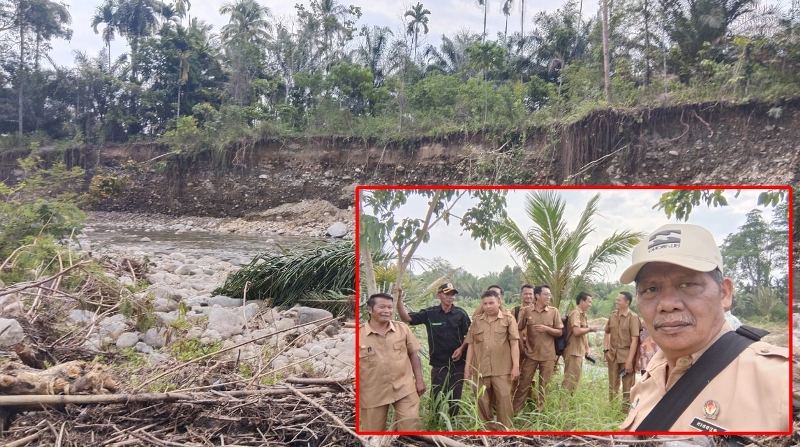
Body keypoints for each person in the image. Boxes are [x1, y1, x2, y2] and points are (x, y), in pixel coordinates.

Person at [618, 223, 789, 432]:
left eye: (688, 284)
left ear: (724, 293)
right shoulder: (651, 374)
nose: (667, 304)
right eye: (651, 289)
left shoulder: (781, 382)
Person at [396, 283, 470, 417]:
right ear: (439, 295)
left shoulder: (461, 314)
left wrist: (461, 348)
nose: (450, 297)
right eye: (447, 294)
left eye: (452, 294)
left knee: (455, 396)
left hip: (458, 362)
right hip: (438, 363)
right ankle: (435, 421)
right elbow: (406, 318)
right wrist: (399, 298)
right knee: (437, 395)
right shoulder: (430, 314)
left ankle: (453, 423)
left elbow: (470, 334)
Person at [359, 293, 425, 431]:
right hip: (372, 393)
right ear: (370, 309)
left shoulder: (402, 329)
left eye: (390, 307)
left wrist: (419, 380)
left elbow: (413, 355)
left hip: (404, 388)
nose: (387, 311)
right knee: (373, 433)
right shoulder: (359, 335)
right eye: (382, 307)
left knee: (411, 428)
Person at [464, 290, 520, 431]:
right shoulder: (477, 321)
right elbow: (471, 345)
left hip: (502, 368)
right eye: (485, 304)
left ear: (499, 302)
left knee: (504, 400)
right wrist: (467, 368)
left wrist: (516, 366)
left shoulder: (508, 319)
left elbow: (514, 344)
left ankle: (505, 429)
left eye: (491, 303)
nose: (488, 306)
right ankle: (487, 429)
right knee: (482, 401)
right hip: (480, 369)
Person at [512, 284, 563, 413]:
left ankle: (540, 413)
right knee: (523, 384)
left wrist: (547, 329)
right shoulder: (527, 311)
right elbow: (518, 328)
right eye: (545, 294)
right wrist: (521, 346)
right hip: (531, 354)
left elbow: (559, 332)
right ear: (537, 296)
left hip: (548, 355)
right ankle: (515, 412)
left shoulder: (554, 311)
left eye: (549, 294)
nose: (548, 297)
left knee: (544, 386)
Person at [603, 291, 640, 407]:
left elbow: (635, 340)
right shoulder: (612, 316)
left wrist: (630, 361)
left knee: (628, 388)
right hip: (612, 356)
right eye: (616, 300)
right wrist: (605, 350)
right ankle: (612, 410)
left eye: (619, 300)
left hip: (626, 358)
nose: (616, 302)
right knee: (612, 385)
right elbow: (606, 333)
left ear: (627, 302)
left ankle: (625, 414)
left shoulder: (633, 318)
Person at [561, 291, 598, 391]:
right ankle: (563, 405)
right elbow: (577, 331)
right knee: (569, 380)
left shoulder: (583, 315)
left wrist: (587, 348)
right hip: (572, 351)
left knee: (576, 381)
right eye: (588, 302)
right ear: (581, 301)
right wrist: (590, 329)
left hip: (579, 351)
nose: (590, 305)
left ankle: (570, 405)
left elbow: (583, 334)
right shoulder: (575, 313)